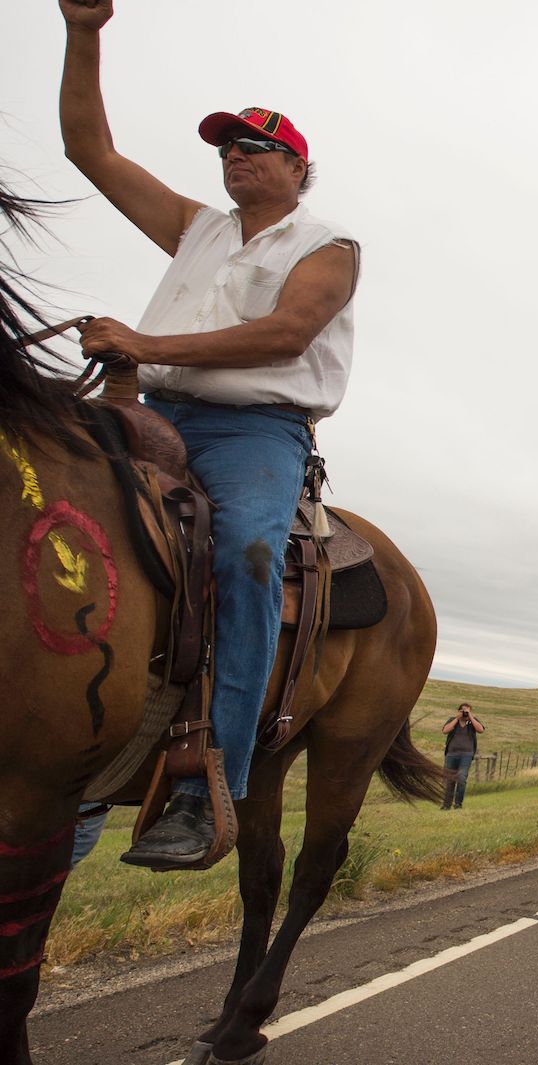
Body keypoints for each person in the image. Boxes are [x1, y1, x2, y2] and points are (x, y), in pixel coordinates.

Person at [60, 0, 361, 870]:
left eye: (252, 145)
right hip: (151, 407)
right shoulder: (197, 229)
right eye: (225, 146)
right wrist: (85, 33)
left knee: (247, 557)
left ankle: (204, 779)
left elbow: (286, 336)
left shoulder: (328, 244)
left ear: (296, 168)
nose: (233, 155)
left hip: (254, 430)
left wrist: (144, 343)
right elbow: (91, 150)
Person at [440, 704, 483, 810]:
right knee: (450, 780)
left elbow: (480, 730)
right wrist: (457, 719)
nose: (464, 712)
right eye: (462, 710)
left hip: (466, 755)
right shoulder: (452, 719)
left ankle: (458, 804)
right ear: (458, 711)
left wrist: (471, 717)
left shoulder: (473, 721)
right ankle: (446, 805)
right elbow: (445, 730)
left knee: (461, 778)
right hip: (451, 755)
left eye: (466, 711)